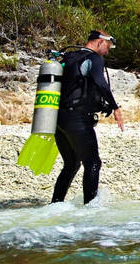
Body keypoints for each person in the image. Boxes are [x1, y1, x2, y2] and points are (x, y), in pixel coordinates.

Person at [52, 30, 124, 204]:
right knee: (93, 163)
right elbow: (101, 82)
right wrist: (115, 108)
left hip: (57, 119)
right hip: (77, 119)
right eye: (108, 46)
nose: (108, 51)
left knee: (72, 164)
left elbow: (79, 87)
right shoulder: (94, 58)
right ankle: (90, 209)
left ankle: (55, 204)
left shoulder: (69, 58)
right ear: (99, 42)